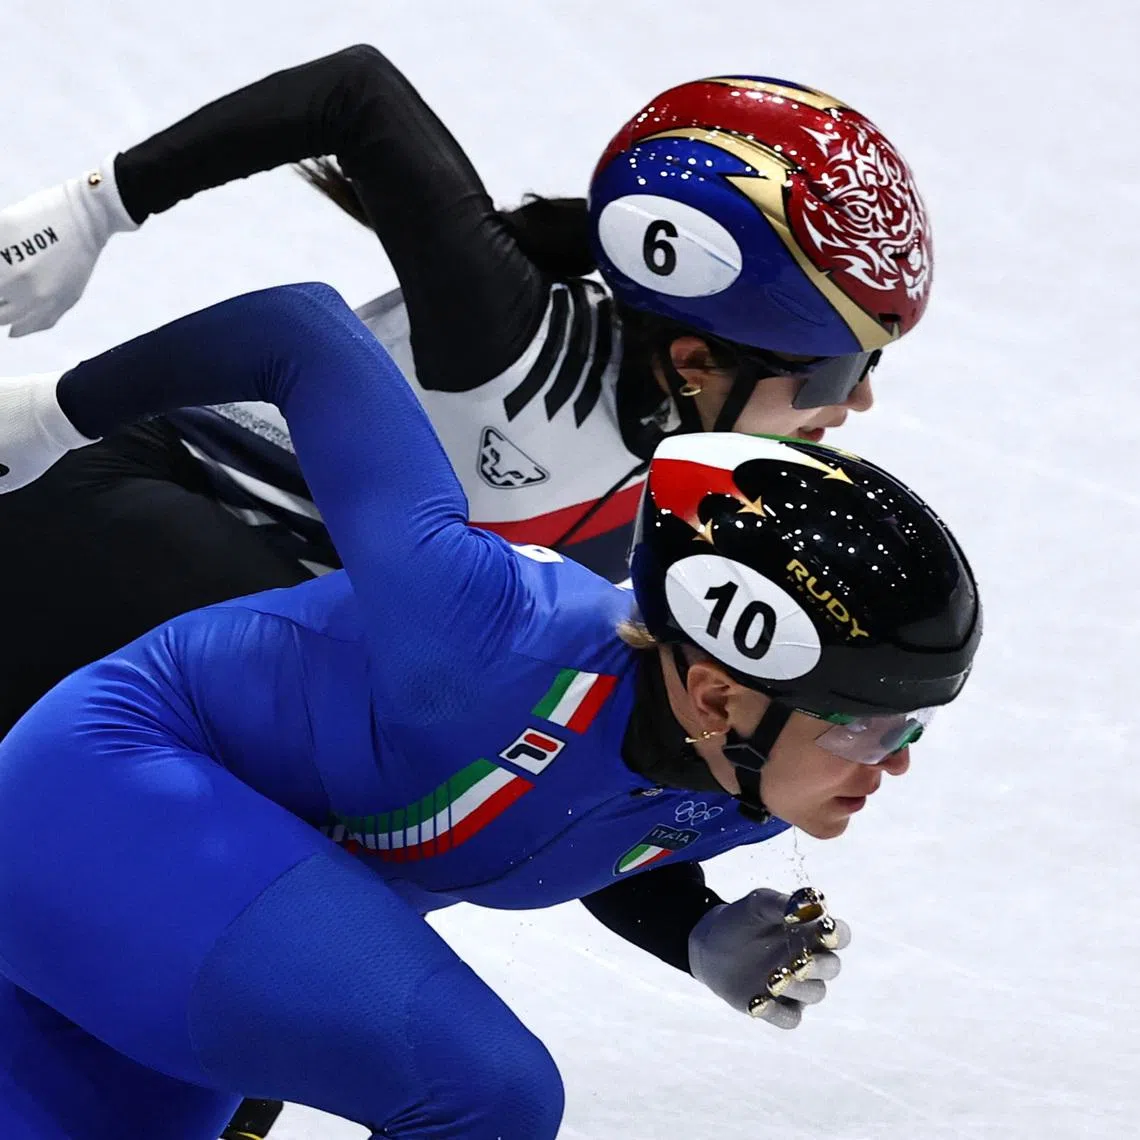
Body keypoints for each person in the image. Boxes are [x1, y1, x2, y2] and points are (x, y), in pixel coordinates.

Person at [0, 49, 933, 1140]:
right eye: (832, 370)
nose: (860, 400)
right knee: (338, 819)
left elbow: (568, 778)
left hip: (283, 636)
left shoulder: (683, 506)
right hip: (128, 511)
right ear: (691, 355)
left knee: (380, 792)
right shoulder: (519, 344)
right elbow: (355, 97)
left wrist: (688, 927)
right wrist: (95, 213)